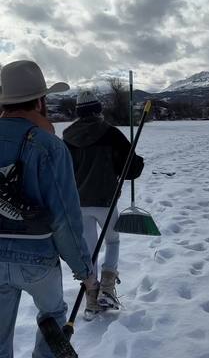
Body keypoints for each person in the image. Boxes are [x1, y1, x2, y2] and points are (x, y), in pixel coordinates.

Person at [0, 60, 96, 358]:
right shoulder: (50, 147)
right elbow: (64, 218)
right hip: (38, 258)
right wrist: (84, 271)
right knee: (53, 314)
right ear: (40, 101)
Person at [63, 90, 144, 318]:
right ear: (98, 109)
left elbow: (62, 171)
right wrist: (136, 163)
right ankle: (107, 290)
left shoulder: (67, 136)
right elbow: (131, 169)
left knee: (89, 250)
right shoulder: (111, 133)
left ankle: (91, 298)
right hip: (105, 202)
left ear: (78, 112)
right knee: (113, 240)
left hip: (78, 203)